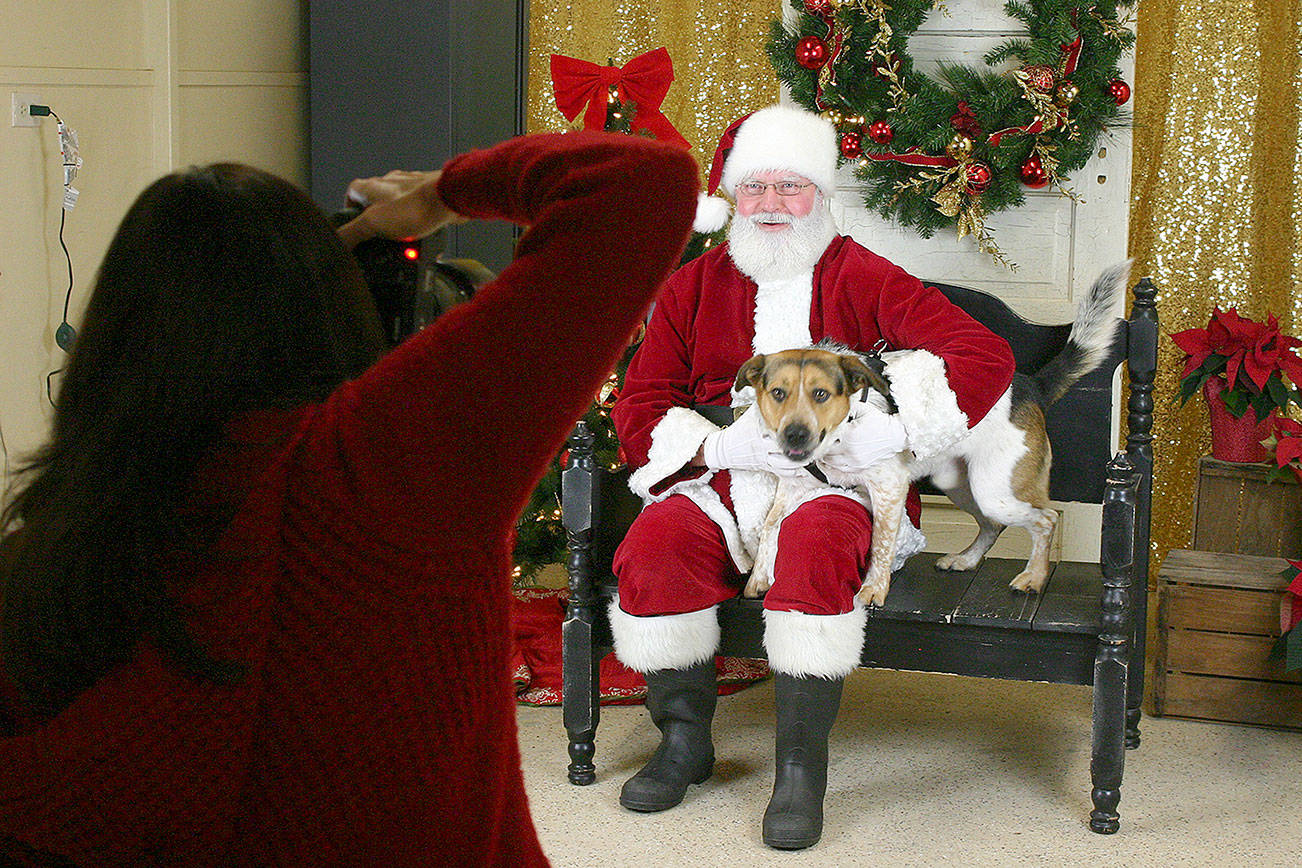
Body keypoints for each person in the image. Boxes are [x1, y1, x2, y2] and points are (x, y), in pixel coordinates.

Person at [0, 131, 699, 864]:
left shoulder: (52, 540)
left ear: (116, 335)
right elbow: (640, 182)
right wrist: (439, 193)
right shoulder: (387, 458)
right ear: (328, 301)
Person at [608, 105, 1017, 851]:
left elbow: (983, 355)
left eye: (789, 187)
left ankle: (799, 769)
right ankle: (682, 741)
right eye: (755, 187)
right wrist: (725, 452)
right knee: (656, 543)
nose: (770, 204)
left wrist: (897, 430)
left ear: (821, 194)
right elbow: (640, 402)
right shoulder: (692, 286)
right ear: (733, 196)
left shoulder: (864, 274)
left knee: (821, 540)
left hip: (839, 486)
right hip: (723, 480)